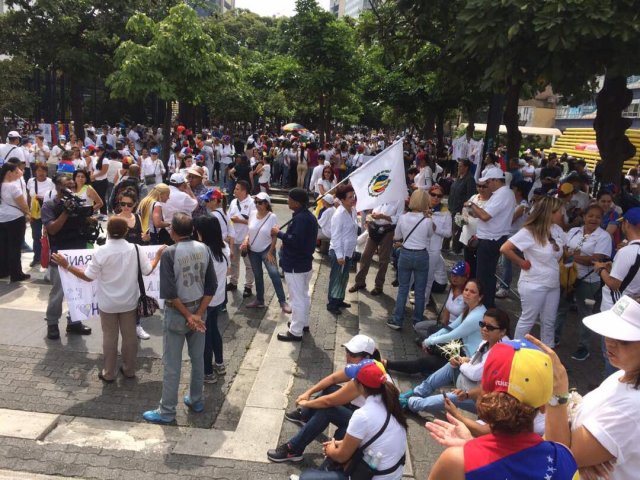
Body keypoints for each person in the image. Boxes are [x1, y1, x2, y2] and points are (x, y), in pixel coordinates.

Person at [426, 339, 578, 480]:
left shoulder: (457, 461)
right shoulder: (563, 458)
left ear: (484, 394)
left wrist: (472, 448)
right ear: (543, 406)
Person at [535, 295, 640, 480]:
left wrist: (558, 392)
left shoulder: (632, 407)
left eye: (624, 339)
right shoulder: (623, 374)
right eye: (609, 331)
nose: (610, 341)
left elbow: (558, 458)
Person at [51, 217, 163, 381]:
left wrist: (67, 265)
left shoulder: (100, 252)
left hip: (108, 303)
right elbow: (147, 271)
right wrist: (158, 256)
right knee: (130, 336)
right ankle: (129, 369)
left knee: (110, 337)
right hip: (129, 301)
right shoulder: (136, 249)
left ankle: (109, 373)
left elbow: (88, 277)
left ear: (108, 231)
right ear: (126, 231)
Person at [142, 213, 216, 424]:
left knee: (172, 364)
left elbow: (170, 292)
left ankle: (167, 411)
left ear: (173, 231)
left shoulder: (169, 253)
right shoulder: (204, 249)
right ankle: (196, 399)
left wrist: (188, 316)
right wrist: (198, 315)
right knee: (198, 360)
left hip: (177, 313)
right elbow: (212, 286)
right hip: (199, 310)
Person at [267, 335, 382, 463]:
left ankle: (293, 449)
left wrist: (308, 403)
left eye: (353, 355)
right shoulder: (368, 365)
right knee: (330, 388)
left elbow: (329, 401)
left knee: (327, 410)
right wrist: (308, 392)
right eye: (347, 352)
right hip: (361, 410)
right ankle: (305, 416)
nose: (348, 357)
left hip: (368, 425)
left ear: (366, 357)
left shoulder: (365, 374)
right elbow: (333, 379)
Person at [297, 360, 407, 480]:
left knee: (306, 477)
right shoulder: (390, 403)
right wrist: (341, 444)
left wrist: (330, 450)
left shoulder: (362, 415)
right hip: (392, 473)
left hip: (371, 476)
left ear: (359, 386)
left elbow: (341, 457)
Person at [402, 308, 510, 415]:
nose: (484, 329)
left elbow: (475, 374)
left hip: (483, 400)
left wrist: (462, 363)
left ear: (503, 332)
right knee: (452, 365)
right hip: (471, 386)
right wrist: (462, 360)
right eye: (482, 324)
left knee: (453, 396)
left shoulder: (501, 350)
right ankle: (417, 392)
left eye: (490, 327)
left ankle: (412, 403)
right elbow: (474, 361)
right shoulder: (488, 340)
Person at [500, 197, 566, 347]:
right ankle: (515, 350)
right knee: (528, 319)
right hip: (533, 283)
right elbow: (505, 248)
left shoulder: (557, 230)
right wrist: (521, 262)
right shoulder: (529, 231)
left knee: (549, 321)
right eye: (559, 211)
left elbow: (564, 250)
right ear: (550, 212)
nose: (562, 214)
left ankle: (548, 354)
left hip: (552, 282)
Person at [554, 204, 612, 361]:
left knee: (585, 313)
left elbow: (595, 260)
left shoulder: (604, 237)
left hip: (588, 282)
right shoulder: (574, 231)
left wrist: (572, 255)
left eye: (598, 217)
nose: (594, 219)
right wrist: (574, 255)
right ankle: (554, 337)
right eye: (590, 215)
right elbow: (562, 249)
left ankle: (583, 347)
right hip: (567, 277)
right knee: (561, 308)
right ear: (584, 217)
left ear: (602, 219)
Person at [41, 175, 94, 339]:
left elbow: (85, 223)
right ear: (57, 187)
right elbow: (52, 230)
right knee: (58, 292)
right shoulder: (49, 205)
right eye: (67, 185)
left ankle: (74, 322)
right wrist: (66, 212)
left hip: (78, 254)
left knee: (78, 291)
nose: (71, 187)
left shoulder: (78, 202)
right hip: (59, 255)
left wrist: (89, 221)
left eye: (72, 184)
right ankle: (52, 323)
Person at [594, 207, 640, 374]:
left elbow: (614, 283)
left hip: (616, 308)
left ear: (627, 224)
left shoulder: (627, 252)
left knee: (611, 354)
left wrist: (600, 269)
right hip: (633, 309)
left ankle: (611, 387)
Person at [464, 168, 516, 308]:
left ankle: (483, 306)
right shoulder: (503, 194)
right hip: (493, 237)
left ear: (495, 180)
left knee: (483, 276)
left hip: (491, 239)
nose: (486, 186)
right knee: (488, 275)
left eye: (487, 182)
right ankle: (487, 304)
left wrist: (472, 204)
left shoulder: (502, 194)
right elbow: (486, 215)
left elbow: (485, 216)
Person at [272, 188, 318, 341]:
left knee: (296, 299)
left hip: (296, 264)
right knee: (303, 296)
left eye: (290, 199)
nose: (288, 201)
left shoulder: (301, 219)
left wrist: (279, 233)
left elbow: (294, 240)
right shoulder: (306, 217)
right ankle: (302, 323)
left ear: (297, 203)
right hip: (303, 263)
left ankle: (296, 331)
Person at [387, 190, 433, 330]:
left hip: (406, 253)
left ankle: (397, 319)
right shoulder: (428, 220)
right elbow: (429, 236)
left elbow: (396, 236)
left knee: (403, 289)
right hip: (421, 254)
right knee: (419, 291)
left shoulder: (403, 217)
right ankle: (417, 321)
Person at [194, 216, 229, 385]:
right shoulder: (224, 247)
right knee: (214, 329)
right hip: (219, 298)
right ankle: (220, 363)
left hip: (205, 301)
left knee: (205, 336)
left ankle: (208, 372)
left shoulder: (203, 252)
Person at [240, 192, 290, 312]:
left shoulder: (272, 216)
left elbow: (274, 236)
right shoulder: (252, 214)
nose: (257, 204)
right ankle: (260, 300)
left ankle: (282, 301)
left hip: (267, 250)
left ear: (267, 204)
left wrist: (270, 252)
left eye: (260, 202)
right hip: (253, 251)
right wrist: (246, 241)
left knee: (274, 275)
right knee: (258, 276)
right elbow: (249, 231)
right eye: (256, 202)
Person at [350, 199, 405, 296]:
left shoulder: (399, 200)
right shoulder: (381, 194)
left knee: (383, 259)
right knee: (365, 255)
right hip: (374, 228)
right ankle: (360, 282)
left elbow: (399, 218)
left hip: (388, 230)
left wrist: (383, 216)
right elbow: (371, 210)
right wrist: (369, 218)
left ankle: (379, 286)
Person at [414, 261, 471, 339]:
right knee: (418, 327)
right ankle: (435, 341)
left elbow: (465, 322)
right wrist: (442, 326)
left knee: (431, 335)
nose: (454, 278)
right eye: (453, 274)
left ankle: (435, 342)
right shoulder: (452, 289)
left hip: (455, 329)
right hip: (445, 324)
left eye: (458, 276)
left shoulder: (467, 295)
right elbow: (446, 310)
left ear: (466, 277)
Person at [327, 185, 358, 315]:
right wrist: (339, 255)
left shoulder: (353, 210)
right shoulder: (338, 214)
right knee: (336, 277)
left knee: (344, 277)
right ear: (342, 199)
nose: (352, 199)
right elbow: (336, 237)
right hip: (338, 251)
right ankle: (332, 303)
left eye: (353, 196)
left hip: (348, 251)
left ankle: (339, 299)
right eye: (350, 197)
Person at [0, 162, 31, 282]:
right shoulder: (12, 186)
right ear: (9, 173)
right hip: (15, 219)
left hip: (2, 218)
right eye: (15, 172)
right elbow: (22, 204)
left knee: (3, 246)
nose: (17, 174)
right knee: (15, 246)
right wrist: (28, 213)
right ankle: (16, 273)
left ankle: (3, 271)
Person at [424, 185, 452, 311]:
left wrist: (436, 229)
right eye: (433, 194)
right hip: (420, 246)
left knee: (428, 277)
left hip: (434, 250)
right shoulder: (422, 208)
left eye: (439, 196)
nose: (436, 198)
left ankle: (423, 302)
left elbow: (448, 233)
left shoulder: (445, 212)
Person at [227, 180, 255, 297]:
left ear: (244, 191)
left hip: (246, 240)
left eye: (237, 189)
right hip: (234, 239)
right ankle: (233, 282)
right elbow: (228, 218)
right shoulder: (233, 202)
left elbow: (255, 222)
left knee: (249, 264)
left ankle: (248, 286)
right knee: (233, 262)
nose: (234, 191)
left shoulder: (253, 203)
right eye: (235, 188)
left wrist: (239, 220)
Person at [458, 180, 491, 279]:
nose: (481, 189)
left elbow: (482, 215)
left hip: (481, 237)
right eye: (479, 186)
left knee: (479, 265)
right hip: (467, 235)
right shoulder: (474, 197)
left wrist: (474, 212)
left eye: (484, 186)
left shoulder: (492, 201)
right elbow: (465, 209)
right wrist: (463, 218)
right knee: (468, 262)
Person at [26, 163, 55, 267]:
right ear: (35, 172)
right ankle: (37, 257)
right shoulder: (30, 181)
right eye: (38, 171)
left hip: (47, 210)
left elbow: (54, 197)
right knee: (36, 235)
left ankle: (50, 258)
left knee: (50, 235)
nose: (41, 173)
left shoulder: (51, 182)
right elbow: (29, 197)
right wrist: (28, 212)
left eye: (43, 170)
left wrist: (43, 198)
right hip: (35, 211)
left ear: (46, 172)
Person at [448, 159, 477, 254]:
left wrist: (464, 209)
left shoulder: (470, 179)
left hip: (461, 209)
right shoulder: (458, 177)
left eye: (460, 166)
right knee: (453, 229)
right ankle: (452, 247)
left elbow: (471, 196)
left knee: (457, 229)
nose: (458, 167)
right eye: (458, 166)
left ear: (466, 167)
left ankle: (457, 249)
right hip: (453, 207)